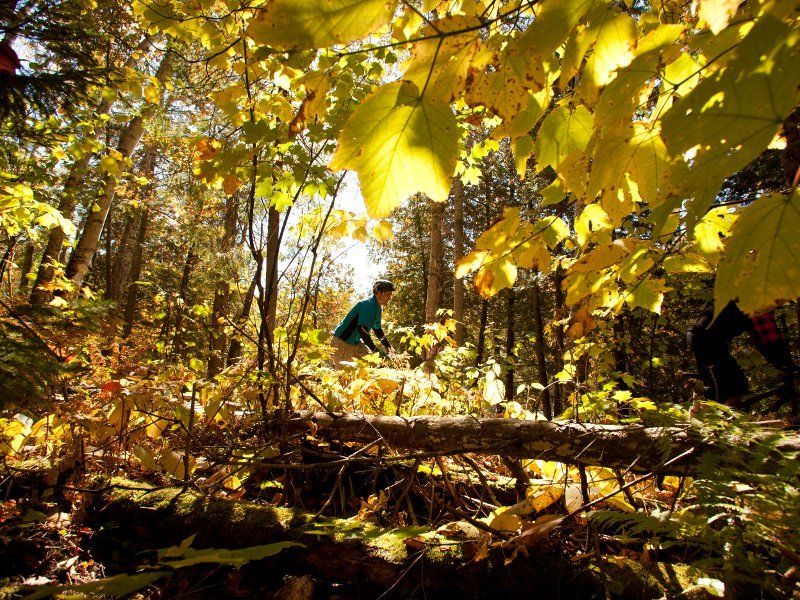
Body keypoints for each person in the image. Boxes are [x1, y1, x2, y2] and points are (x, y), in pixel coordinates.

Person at [687, 300, 795, 407]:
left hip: (700, 336)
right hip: (707, 340)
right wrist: (787, 366)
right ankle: (711, 419)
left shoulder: (744, 293)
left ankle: (729, 418)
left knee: (733, 383)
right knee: (724, 386)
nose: (781, 304)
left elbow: (760, 339)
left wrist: (781, 364)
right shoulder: (761, 304)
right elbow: (771, 338)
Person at [331, 280, 395, 368]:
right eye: (388, 294)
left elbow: (377, 329)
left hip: (355, 343)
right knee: (344, 378)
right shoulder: (368, 304)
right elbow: (363, 331)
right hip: (341, 344)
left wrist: (389, 348)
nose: (390, 298)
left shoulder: (378, 307)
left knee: (372, 365)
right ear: (380, 293)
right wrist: (376, 351)